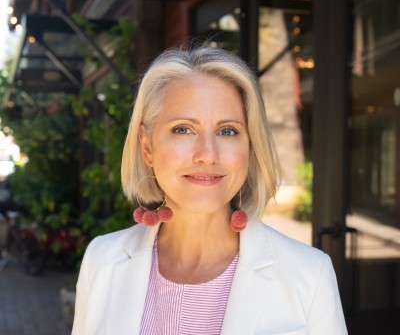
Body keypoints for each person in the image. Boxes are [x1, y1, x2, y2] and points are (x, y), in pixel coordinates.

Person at [72, 46, 347, 335]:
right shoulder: (101, 260)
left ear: (250, 146)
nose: (207, 154)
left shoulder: (309, 276)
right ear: (147, 145)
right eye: (183, 129)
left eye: (227, 131)